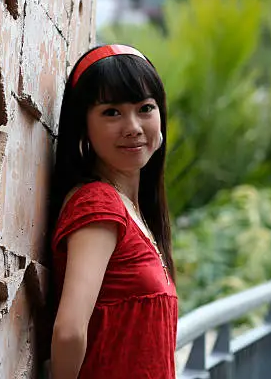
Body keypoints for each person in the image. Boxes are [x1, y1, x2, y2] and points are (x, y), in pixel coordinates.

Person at [46, 44, 178, 379]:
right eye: (111, 112)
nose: (133, 126)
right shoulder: (98, 206)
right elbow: (69, 331)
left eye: (145, 108)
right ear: (83, 127)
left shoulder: (132, 207)